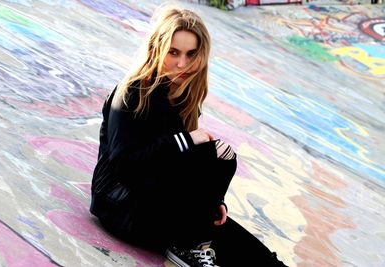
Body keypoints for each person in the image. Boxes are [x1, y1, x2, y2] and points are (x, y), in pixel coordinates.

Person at [90, 6, 287, 267]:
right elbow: (123, 163)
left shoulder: (182, 97)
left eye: (191, 54)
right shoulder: (133, 93)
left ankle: (193, 241)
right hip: (119, 207)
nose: (182, 63)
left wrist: (211, 200)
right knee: (210, 152)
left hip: (158, 206)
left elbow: (175, 169)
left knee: (260, 258)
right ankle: (186, 246)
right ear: (156, 49)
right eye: (173, 52)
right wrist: (186, 142)